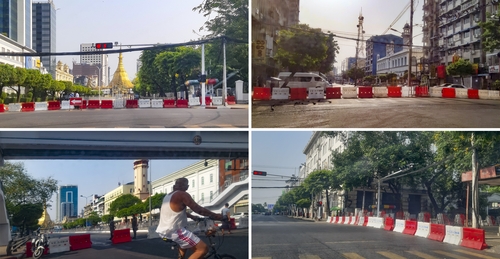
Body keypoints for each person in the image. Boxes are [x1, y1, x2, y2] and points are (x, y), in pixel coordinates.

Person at [156, 178, 223, 259]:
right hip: (176, 230)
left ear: (174, 186)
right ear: (187, 187)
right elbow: (199, 210)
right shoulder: (182, 194)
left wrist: (193, 217)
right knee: (202, 249)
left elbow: (176, 212)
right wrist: (216, 216)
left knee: (184, 245)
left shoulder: (168, 196)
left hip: (165, 230)